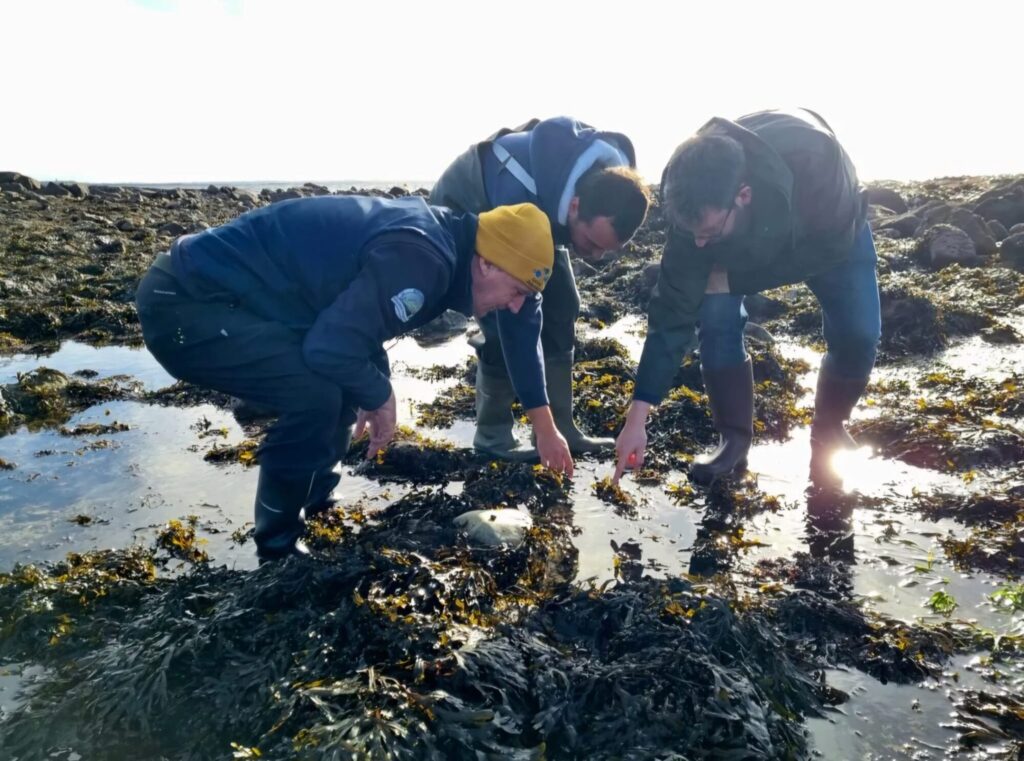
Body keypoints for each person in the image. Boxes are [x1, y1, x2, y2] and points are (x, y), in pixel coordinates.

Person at [135, 195, 571, 561]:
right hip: (185, 303)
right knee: (314, 394)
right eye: (518, 292)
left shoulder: (450, 247)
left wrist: (371, 383)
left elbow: (354, 327)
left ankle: (318, 501)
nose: (516, 307)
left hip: (240, 302)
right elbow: (330, 347)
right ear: (488, 265)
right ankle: (278, 547)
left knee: (340, 379)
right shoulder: (425, 258)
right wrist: (380, 394)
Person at [614, 108, 879, 486]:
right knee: (716, 319)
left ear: (743, 195)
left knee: (859, 332)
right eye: (693, 234)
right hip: (746, 237)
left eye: (706, 230)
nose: (699, 242)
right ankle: (733, 438)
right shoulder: (691, 205)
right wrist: (637, 418)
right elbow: (672, 313)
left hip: (832, 228)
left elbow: (829, 250)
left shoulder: (816, 160)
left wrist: (731, 278)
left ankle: (831, 426)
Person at [430, 116, 650, 460]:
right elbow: (522, 321)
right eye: (591, 243)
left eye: (606, 250)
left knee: (563, 303)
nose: (595, 257)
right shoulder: (524, 195)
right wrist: (542, 426)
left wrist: (551, 430)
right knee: (505, 316)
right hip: (471, 202)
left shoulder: (610, 185)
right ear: (574, 207)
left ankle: (563, 426)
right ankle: (493, 435)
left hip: (543, 212)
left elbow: (574, 247)